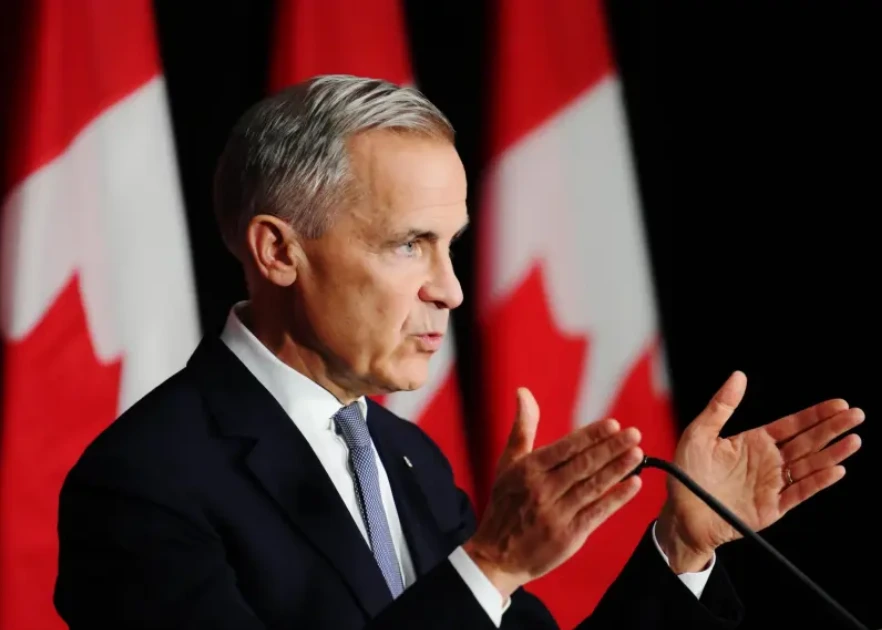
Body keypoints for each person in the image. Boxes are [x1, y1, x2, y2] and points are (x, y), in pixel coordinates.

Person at [53, 75, 864, 629]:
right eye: (409, 244)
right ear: (278, 252)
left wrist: (680, 549)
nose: (451, 290)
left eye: (451, 245)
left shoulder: (407, 460)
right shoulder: (144, 482)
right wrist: (490, 566)